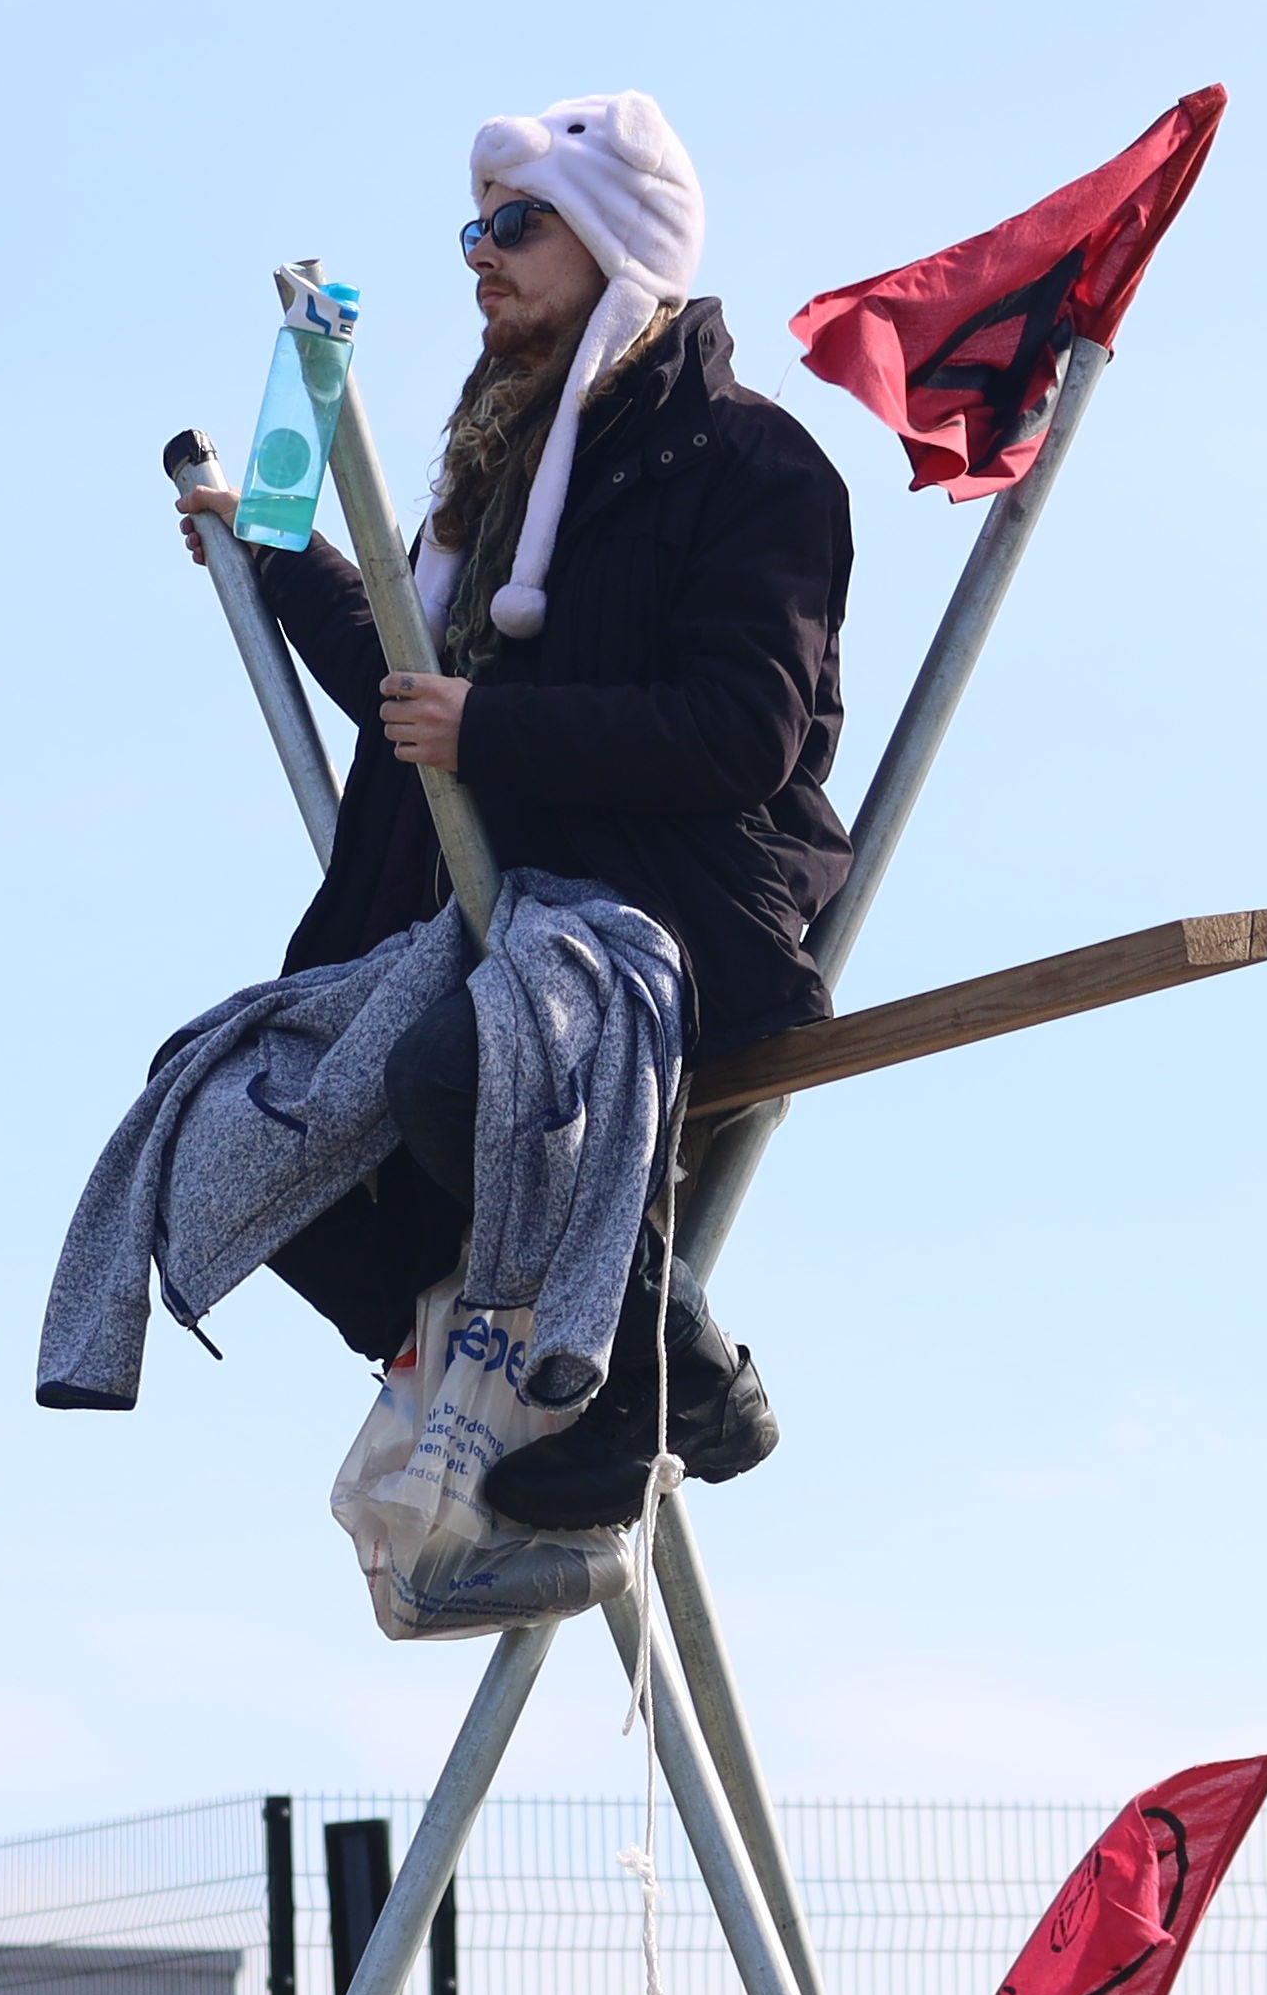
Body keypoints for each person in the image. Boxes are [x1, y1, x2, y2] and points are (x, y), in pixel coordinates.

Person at [172, 88, 848, 1529]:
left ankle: (646, 1368)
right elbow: (409, 681)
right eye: (474, 228)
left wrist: (492, 723)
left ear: (617, 246)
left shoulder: (749, 462)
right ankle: (469, 1351)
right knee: (230, 1116)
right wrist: (273, 554)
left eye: (517, 225)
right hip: (483, 925)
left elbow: (746, 732)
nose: (480, 254)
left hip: (661, 914)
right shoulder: (494, 483)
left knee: (454, 1074)